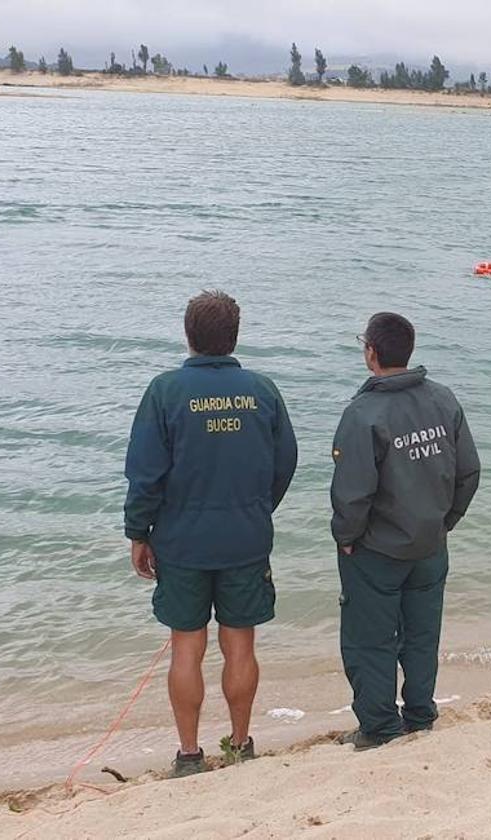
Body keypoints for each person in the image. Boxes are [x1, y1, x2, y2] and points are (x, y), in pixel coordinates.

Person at [124, 290, 298, 774]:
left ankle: (188, 754)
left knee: (188, 646)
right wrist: (258, 509)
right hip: (245, 537)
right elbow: (285, 462)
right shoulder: (263, 391)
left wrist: (139, 532)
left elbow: (145, 473)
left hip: (181, 541)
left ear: (189, 336)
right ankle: (241, 745)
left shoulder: (164, 391)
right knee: (240, 644)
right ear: (234, 337)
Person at [330, 312, 481, 749]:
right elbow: (468, 473)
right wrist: (443, 521)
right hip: (429, 543)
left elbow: (352, 494)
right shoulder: (443, 400)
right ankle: (419, 715)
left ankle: (379, 726)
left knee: (370, 640)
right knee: (421, 635)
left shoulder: (363, 414)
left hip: (377, 550)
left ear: (371, 353)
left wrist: (347, 537)